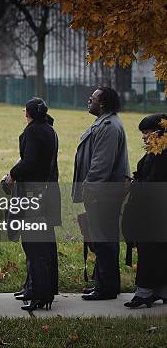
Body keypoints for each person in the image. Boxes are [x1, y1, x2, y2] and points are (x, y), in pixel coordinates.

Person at [4, 98, 61, 312]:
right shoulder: (49, 129)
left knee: (35, 245)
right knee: (43, 245)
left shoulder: (34, 131)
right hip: (46, 193)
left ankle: (40, 293)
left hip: (33, 195)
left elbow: (30, 162)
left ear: (26, 112)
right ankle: (35, 288)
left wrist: (12, 174)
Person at [73, 87, 129, 300]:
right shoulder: (106, 123)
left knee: (104, 240)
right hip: (102, 192)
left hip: (102, 193)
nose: (89, 100)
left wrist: (89, 189)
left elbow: (101, 165)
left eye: (93, 98)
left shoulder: (109, 126)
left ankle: (105, 288)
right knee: (102, 239)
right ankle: (104, 284)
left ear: (103, 103)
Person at [122, 114, 167, 308]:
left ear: (159, 132)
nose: (143, 137)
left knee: (149, 251)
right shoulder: (155, 151)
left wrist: (133, 184)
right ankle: (160, 289)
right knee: (157, 251)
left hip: (154, 212)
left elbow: (154, 182)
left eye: (146, 132)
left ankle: (145, 292)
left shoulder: (161, 154)